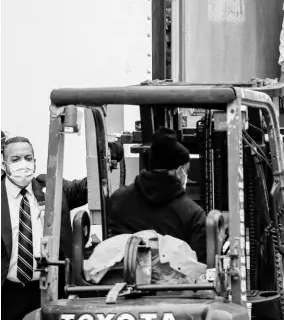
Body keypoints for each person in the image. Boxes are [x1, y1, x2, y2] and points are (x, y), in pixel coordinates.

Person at [1, 136, 88, 320]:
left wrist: (108, 157)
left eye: (28, 157)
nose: (23, 163)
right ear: (4, 165)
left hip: (48, 289)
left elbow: (86, 187)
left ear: (34, 162)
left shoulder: (53, 188)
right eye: (15, 159)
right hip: (7, 293)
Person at [107, 127, 207, 264]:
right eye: (186, 171)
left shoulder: (117, 200)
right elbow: (200, 269)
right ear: (179, 171)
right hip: (175, 284)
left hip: (119, 282)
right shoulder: (193, 215)